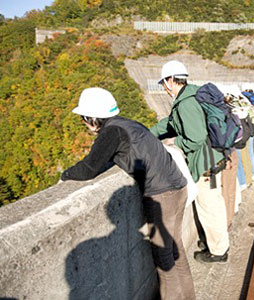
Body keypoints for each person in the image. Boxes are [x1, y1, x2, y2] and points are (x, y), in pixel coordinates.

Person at [60, 87, 195, 300]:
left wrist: (65, 175)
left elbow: (89, 168)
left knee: (164, 261)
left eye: (84, 119)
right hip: (178, 186)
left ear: (93, 118)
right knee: (175, 250)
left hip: (162, 194)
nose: (84, 124)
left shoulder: (111, 132)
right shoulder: (128, 124)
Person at [149, 60, 230, 264]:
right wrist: (147, 135)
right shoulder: (189, 96)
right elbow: (169, 123)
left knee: (210, 205)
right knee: (212, 203)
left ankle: (219, 251)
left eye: (163, 83)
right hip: (210, 159)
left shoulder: (186, 103)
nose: (164, 88)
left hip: (206, 165)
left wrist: (174, 141)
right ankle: (213, 241)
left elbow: (195, 138)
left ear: (169, 80)